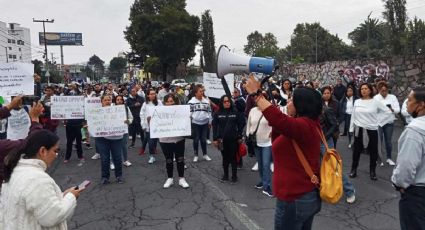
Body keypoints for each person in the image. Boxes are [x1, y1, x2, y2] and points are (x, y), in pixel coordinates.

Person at [245, 75, 322, 230]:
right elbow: (281, 127)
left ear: (301, 105)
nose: (288, 102)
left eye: (292, 100)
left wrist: (257, 95)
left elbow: (278, 119)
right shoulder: (308, 124)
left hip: (295, 198)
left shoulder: (304, 125)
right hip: (304, 196)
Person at [0, 130, 83, 229]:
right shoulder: (37, 179)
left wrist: (62, 196)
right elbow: (53, 217)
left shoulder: (16, 170)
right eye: (55, 151)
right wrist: (71, 197)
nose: (56, 156)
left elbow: (38, 204)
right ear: (42, 151)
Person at [391, 87, 425, 230]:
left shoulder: (414, 131)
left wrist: (399, 184)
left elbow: (406, 166)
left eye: (410, 100)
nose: (406, 103)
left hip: (417, 194)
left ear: (421, 105)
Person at [349, 83, 391, 180]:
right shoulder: (357, 102)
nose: (363, 90)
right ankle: (353, 170)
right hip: (358, 129)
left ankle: (372, 172)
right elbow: (353, 115)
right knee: (356, 151)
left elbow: (387, 111)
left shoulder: (375, 102)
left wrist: (379, 122)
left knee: (373, 152)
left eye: (366, 88)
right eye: (362, 89)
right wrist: (351, 129)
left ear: (370, 90)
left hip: (372, 130)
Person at [0, 101, 44, 183]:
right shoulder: (3, 146)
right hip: (15, 143)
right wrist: (35, 120)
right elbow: (32, 141)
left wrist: (10, 106)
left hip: (22, 140)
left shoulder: (27, 107)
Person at [159, 94, 190, 189]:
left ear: (175, 102)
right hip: (165, 140)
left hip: (178, 139)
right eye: (167, 102)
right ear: (164, 103)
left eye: (171, 101)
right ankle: (170, 178)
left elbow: (187, 121)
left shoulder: (180, 112)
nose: (169, 103)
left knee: (180, 159)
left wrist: (189, 119)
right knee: (168, 160)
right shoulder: (159, 112)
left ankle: (181, 178)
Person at [213, 95, 245, 183]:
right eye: (225, 101)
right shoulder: (217, 113)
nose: (227, 103)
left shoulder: (235, 112)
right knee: (225, 158)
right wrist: (215, 139)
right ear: (221, 103)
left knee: (233, 158)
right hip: (222, 140)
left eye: (228, 101)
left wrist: (239, 136)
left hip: (233, 139)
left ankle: (234, 176)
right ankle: (225, 175)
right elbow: (214, 127)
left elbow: (241, 124)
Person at [247, 92, 273, 197]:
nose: (257, 100)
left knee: (266, 164)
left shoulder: (270, 110)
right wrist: (248, 135)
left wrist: (273, 131)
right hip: (255, 141)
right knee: (261, 163)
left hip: (267, 141)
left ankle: (267, 187)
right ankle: (263, 181)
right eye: (256, 98)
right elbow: (249, 124)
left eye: (260, 98)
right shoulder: (252, 111)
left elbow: (275, 122)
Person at [96, 95, 124, 184]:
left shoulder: (117, 110)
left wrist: (127, 122)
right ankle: (105, 177)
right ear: (101, 102)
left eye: (109, 100)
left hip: (116, 138)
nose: (107, 101)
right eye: (105, 100)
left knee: (118, 158)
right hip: (102, 139)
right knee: (105, 159)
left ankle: (119, 176)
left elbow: (128, 119)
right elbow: (93, 124)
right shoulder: (96, 112)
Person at [374, 81, 400, 166]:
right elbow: (373, 110)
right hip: (379, 122)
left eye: (386, 90)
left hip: (389, 122)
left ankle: (389, 158)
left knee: (388, 141)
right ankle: (379, 159)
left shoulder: (392, 97)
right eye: (382, 91)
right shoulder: (376, 98)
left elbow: (398, 110)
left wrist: (392, 109)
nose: (384, 92)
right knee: (379, 141)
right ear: (379, 90)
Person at [188, 85, 212, 162]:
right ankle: (196, 155)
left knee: (203, 140)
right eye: (200, 91)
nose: (202, 93)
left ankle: (205, 154)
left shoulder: (206, 101)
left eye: (202, 91)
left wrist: (210, 121)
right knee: (196, 140)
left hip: (205, 123)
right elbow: (189, 113)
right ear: (195, 93)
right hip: (195, 124)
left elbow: (209, 112)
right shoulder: (191, 102)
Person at [140, 89, 162, 164]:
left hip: (158, 126)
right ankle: (151, 156)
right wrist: (143, 124)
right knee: (151, 142)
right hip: (148, 126)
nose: (153, 95)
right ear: (148, 95)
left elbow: (163, 111)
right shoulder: (145, 104)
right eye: (151, 94)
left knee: (156, 141)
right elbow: (142, 114)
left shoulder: (159, 102)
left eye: (154, 94)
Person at [115, 95, 133, 167]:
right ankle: (112, 162)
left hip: (124, 130)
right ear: (115, 101)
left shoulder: (126, 108)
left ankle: (125, 160)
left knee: (123, 146)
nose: (119, 101)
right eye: (118, 99)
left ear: (123, 100)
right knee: (114, 147)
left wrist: (128, 121)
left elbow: (131, 118)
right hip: (114, 130)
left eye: (120, 99)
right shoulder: (111, 108)